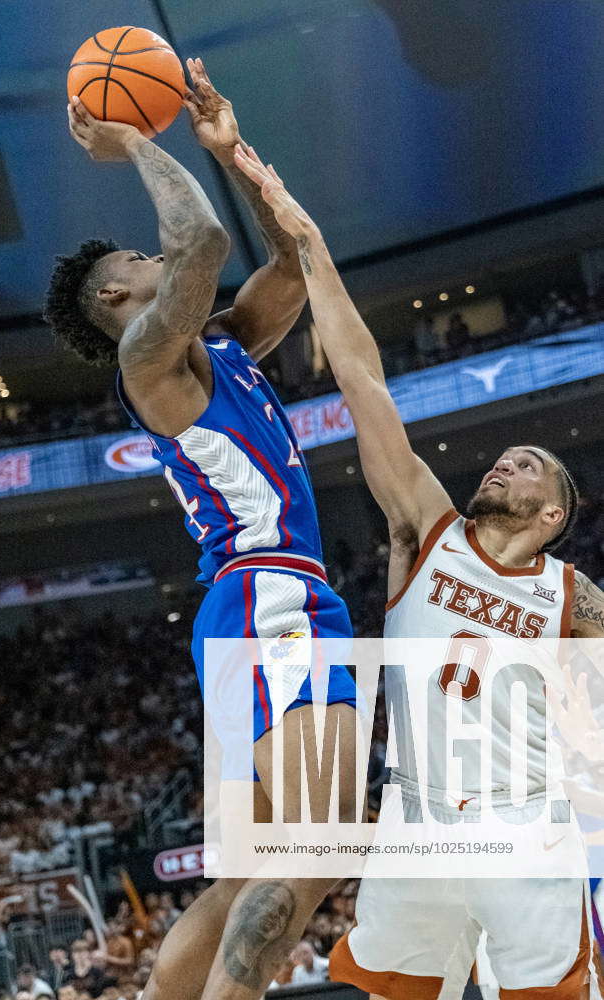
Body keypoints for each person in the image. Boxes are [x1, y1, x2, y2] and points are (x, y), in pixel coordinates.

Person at [233, 144, 604, 999]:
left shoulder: (569, 594)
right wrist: (305, 236)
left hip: (522, 817)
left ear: (553, 515)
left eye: (525, 467)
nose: (500, 468)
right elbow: (362, 381)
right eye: (501, 461)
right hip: (415, 816)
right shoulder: (423, 530)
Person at [44, 58, 357, 1000]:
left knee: (239, 884)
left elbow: (291, 265)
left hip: (254, 609)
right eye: (139, 260)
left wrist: (235, 153)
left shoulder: (213, 343)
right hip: (270, 597)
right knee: (327, 833)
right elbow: (202, 239)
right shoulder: (148, 360)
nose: (157, 256)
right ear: (114, 299)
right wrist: (136, 137)